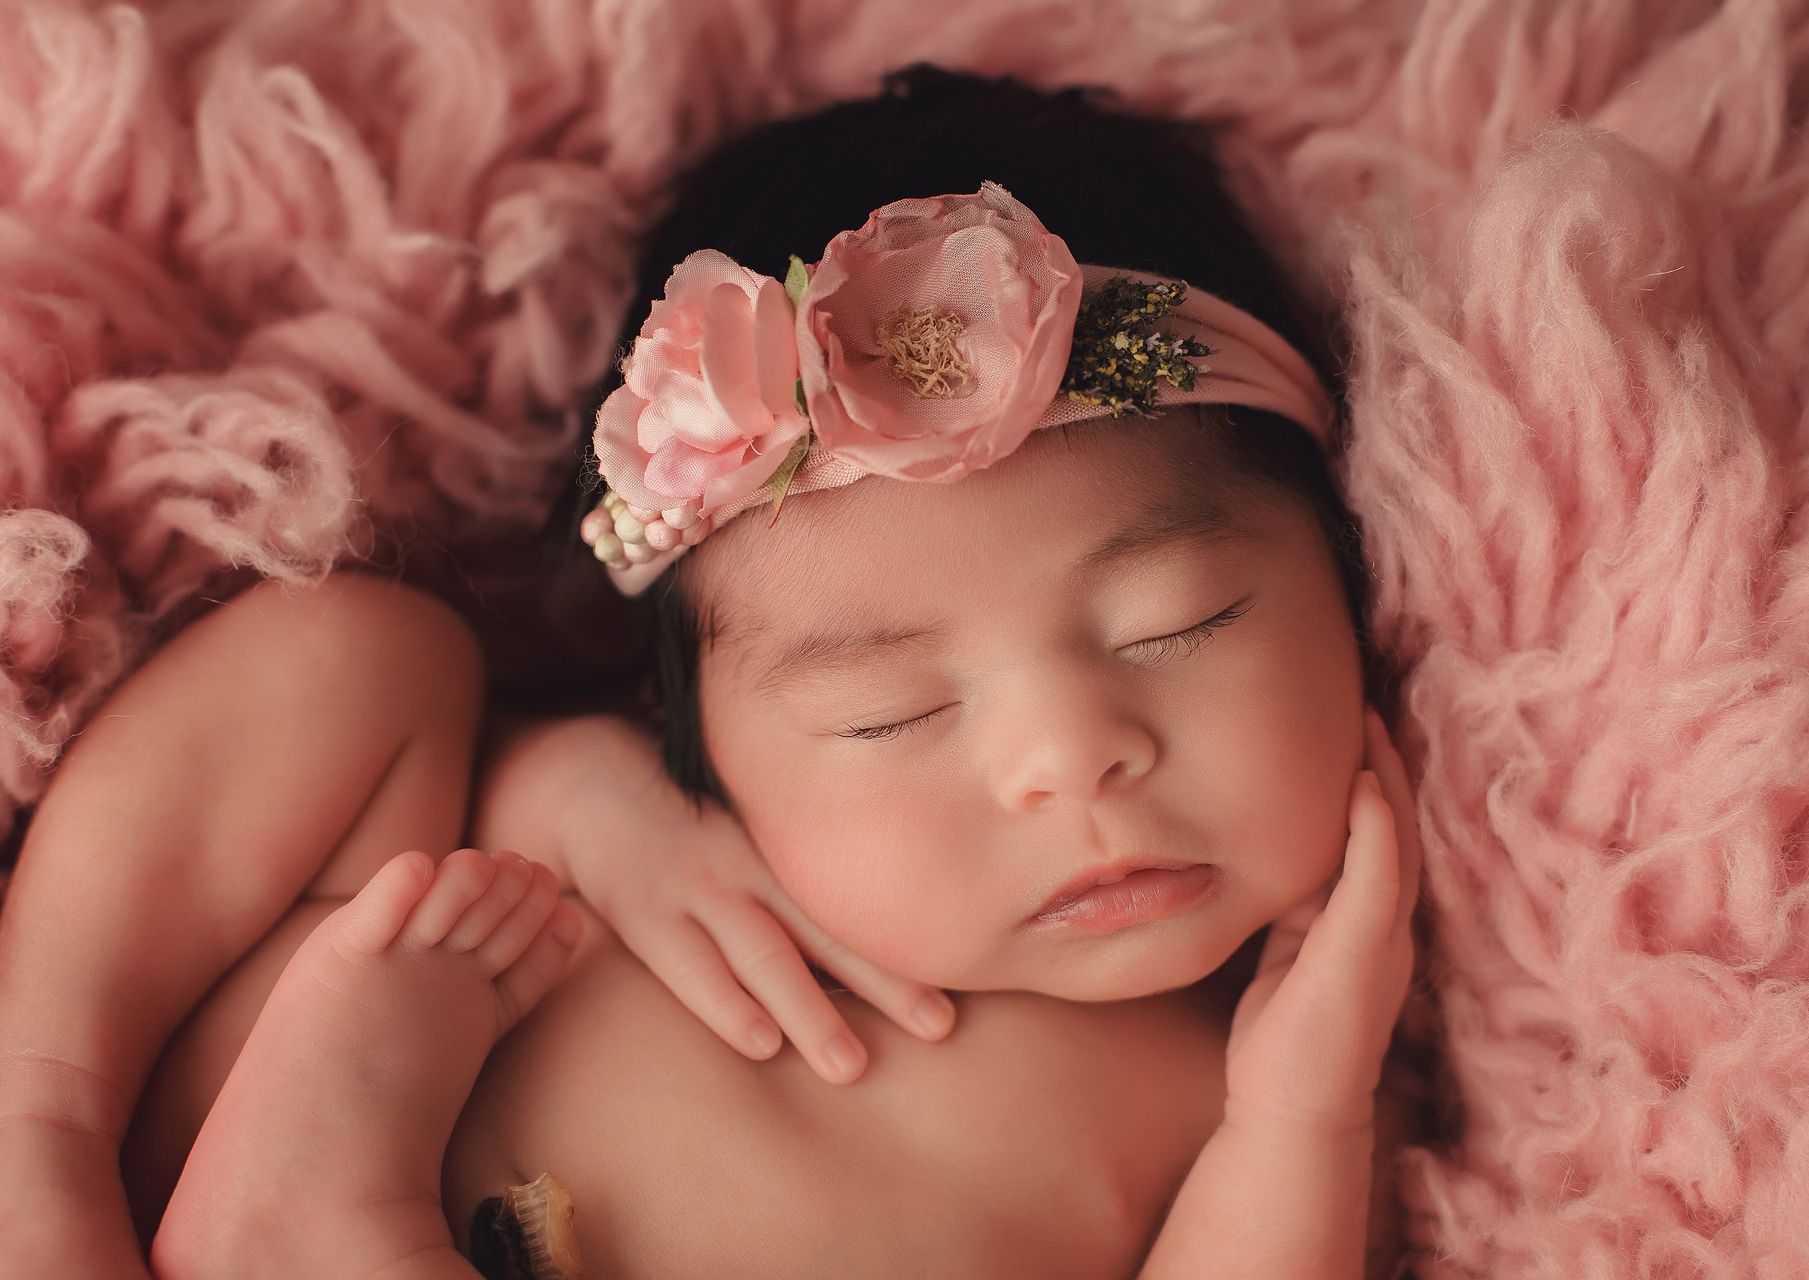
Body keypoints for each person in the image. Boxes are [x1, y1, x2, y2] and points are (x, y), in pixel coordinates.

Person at [0, 65, 1432, 1279]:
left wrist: (1297, 1118)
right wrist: (577, 794)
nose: (1070, 755)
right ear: (695, 733)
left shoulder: (1287, 1075)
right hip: (157, 1162)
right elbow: (428, 766)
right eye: (893, 711)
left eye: (1175, 625)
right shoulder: (633, 846)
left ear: (1347, 563)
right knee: (359, 652)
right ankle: (34, 1116)